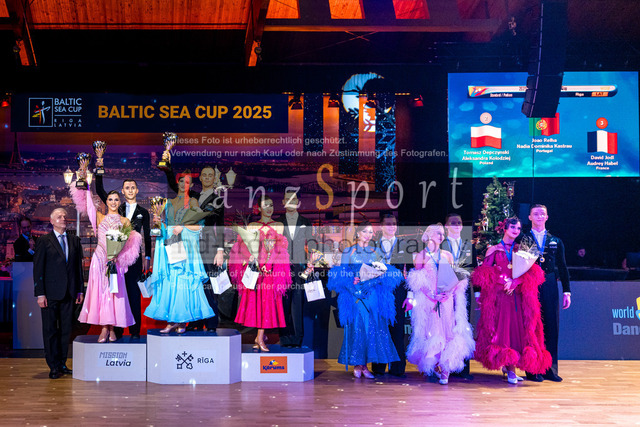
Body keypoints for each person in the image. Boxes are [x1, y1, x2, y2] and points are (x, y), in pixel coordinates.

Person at [471, 217, 551, 384]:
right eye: (513, 227)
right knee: (503, 332)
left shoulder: (521, 249)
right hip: (500, 297)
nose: (516, 230)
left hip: (517, 296)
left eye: (518, 228)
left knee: (517, 332)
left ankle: (510, 366)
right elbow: (485, 275)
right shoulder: (493, 250)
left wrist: (516, 282)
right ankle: (510, 370)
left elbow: (531, 273)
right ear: (505, 229)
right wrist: (503, 282)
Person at [328, 221, 402, 378]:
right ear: (358, 233)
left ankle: (365, 366)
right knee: (358, 327)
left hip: (372, 294)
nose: (368, 235)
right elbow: (342, 274)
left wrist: (370, 283)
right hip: (355, 294)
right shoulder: (348, 251)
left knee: (372, 328)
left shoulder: (376, 251)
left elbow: (384, 272)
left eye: (370, 232)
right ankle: (358, 364)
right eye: (365, 232)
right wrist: (353, 285)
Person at [71, 182, 142, 343]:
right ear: (106, 202)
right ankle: (105, 328)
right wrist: (87, 187)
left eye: (116, 199)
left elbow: (128, 245)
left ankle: (111, 328)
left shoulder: (125, 221)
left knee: (113, 294)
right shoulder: (99, 217)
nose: (113, 202)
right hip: (99, 260)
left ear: (119, 201)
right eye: (110, 199)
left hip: (115, 263)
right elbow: (89, 205)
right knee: (101, 293)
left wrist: (117, 256)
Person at [145, 172, 215, 333]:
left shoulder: (193, 201)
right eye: (182, 181)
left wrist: (183, 227)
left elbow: (199, 226)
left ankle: (182, 321)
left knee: (182, 280)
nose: (184, 185)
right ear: (177, 183)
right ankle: (172, 320)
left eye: (188, 182)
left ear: (191, 185)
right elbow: (165, 227)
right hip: (170, 243)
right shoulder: (168, 203)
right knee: (171, 281)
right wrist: (159, 223)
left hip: (185, 244)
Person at [406, 224, 475, 385]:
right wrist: (431, 295)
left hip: (446, 300)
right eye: (438, 233)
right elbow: (417, 281)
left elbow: (452, 277)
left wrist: (448, 293)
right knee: (433, 331)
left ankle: (446, 369)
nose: (441, 236)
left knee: (448, 330)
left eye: (442, 234)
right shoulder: (421, 255)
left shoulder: (447, 255)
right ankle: (435, 365)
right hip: (430, 300)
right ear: (429, 234)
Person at [164, 163, 225, 332]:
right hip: (190, 244)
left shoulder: (218, 200)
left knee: (208, 284)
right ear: (200, 178)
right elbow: (175, 186)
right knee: (193, 282)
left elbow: (220, 225)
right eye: (204, 175)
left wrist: (220, 251)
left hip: (208, 246)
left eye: (210, 175)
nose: (207, 178)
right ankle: (195, 321)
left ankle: (211, 323)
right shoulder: (193, 195)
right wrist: (168, 168)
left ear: (214, 178)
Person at [229, 195, 291, 351]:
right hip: (256, 271)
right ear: (259, 208)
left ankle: (260, 337)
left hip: (269, 271)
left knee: (267, 303)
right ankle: (260, 337)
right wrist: (249, 257)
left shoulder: (278, 225)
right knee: (256, 304)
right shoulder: (252, 226)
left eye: (271, 205)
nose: (269, 208)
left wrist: (268, 264)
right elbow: (243, 246)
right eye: (265, 205)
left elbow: (279, 249)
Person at [96, 172, 151, 340]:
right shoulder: (117, 208)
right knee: (118, 294)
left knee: (134, 294)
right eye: (127, 188)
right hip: (116, 257)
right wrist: (99, 170)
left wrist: (148, 257)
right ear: (123, 191)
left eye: (133, 187)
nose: (130, 190)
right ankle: (117, 331)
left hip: (134, 258)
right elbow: (100, 191)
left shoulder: (143, 212)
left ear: (137, 190)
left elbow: (147, 235)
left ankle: (135, 332)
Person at [521, 204, 571, 382]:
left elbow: (562, 267)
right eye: (536, 214)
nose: (539, 216)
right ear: (530, 217)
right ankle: (532, 369)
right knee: (532, 325)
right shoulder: (524, 238)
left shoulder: (555, 240)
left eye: (542, 214)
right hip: (530, 283)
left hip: (549, 283)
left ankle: (550, 369)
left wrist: (567, 291)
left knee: (551, 324)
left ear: (547, 217)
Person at [33, 208, 84, 379]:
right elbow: (38, 269)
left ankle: (62, 363)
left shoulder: (74, 240)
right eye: (59, 217)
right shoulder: (44, 241)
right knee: (50, 331)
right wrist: (40, 294)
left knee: (65, 331)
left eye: (64, 216)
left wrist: (79, 290)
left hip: (69, 293)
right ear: (52, 221)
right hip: (49, 294)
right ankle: (53, 366)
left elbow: (77, 268)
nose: (63, 219)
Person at [371, 213, 413, 378]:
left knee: (397, 329)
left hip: (398, 291)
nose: (392, 226)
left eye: (394, 223)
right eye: (388, 224)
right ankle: (379, 366)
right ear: (381, 226)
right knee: (380, 328)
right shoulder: (373, 245)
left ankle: (397, 367)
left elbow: (411, 271)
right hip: (378, 291)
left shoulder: (405, 245)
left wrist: (410, 295)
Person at [441, 213, 476, 379]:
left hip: (464, 290)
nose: (456, 225)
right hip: (445, 290)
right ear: (446, 226)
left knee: (463, 326)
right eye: (453, 223)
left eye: (459, 222)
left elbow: (474, 268)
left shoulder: (469, 245)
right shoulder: (440, 245)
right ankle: (446, 366)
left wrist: (477, 292)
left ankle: (462, 368)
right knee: (447, 325)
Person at [276, 189, 312, 348]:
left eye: (294, 199)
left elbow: (312, 243)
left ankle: (297, 339)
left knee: (298, 303)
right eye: (287, 199)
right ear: (283, 202)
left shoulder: (306, 221)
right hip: (281, 267)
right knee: (283, 303)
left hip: (300, 267)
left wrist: (312, 261)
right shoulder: (277, 223)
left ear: (298, 202)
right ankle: (284, 338)